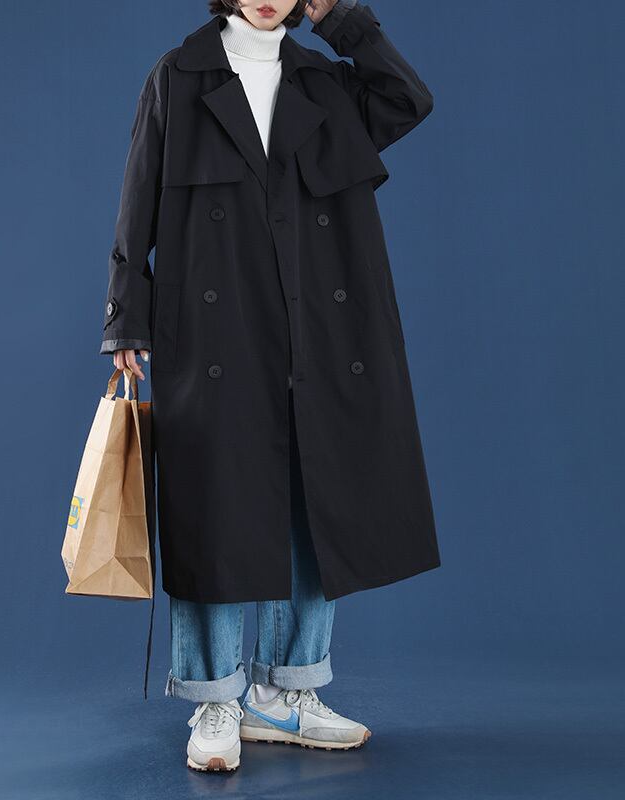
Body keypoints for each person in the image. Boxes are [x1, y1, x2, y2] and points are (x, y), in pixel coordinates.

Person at [101, 0, 439, 772]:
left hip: (317, 328)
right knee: (216, 509)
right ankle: (217, 698)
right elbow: (136, 201)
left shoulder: (323, 80)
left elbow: (407, 99)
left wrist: (341, 18)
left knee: (312, 503)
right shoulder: (178, 77)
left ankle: (288, 691)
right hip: (212, 330)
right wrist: (126, 319)